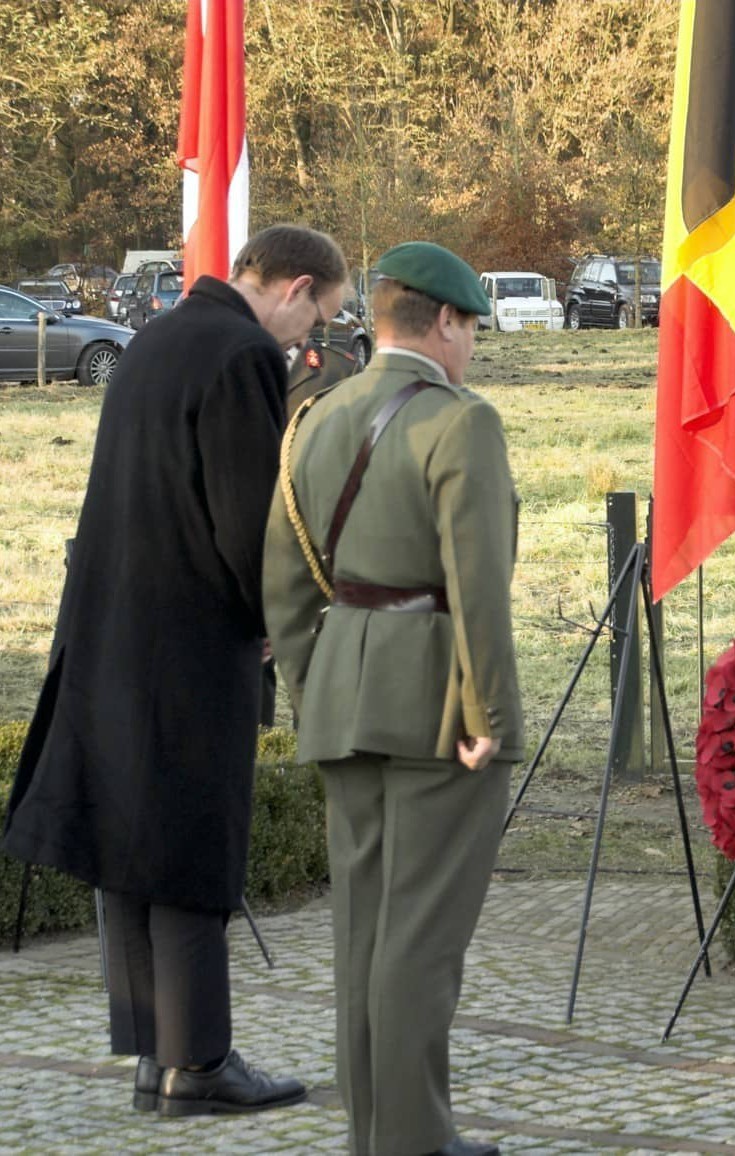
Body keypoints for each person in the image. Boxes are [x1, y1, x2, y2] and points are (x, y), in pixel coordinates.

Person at [2, 224, 349, 1116]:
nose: (309, 339)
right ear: (297, 286)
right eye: (321, 314)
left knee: (128, 845)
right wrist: (273, 617)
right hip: (190, 638)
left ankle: (154, 1060)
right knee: (192, 842)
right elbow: (248, 517)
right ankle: (199, 1064)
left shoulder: (156, 336)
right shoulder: (240, 355)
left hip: (110, 623)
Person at [263, 240, 524, 1156]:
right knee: (420, 939)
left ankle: (378, 1132)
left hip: (344, 698)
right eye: (472, 328)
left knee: (363, 936)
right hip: (438, 716)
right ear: (444, 321)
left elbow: (288, 586)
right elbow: (477, 586)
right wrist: (489, 715)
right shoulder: (462, 423)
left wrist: (320, 687)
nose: (475, 349)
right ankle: (412, 1140)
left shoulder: (318, 417)